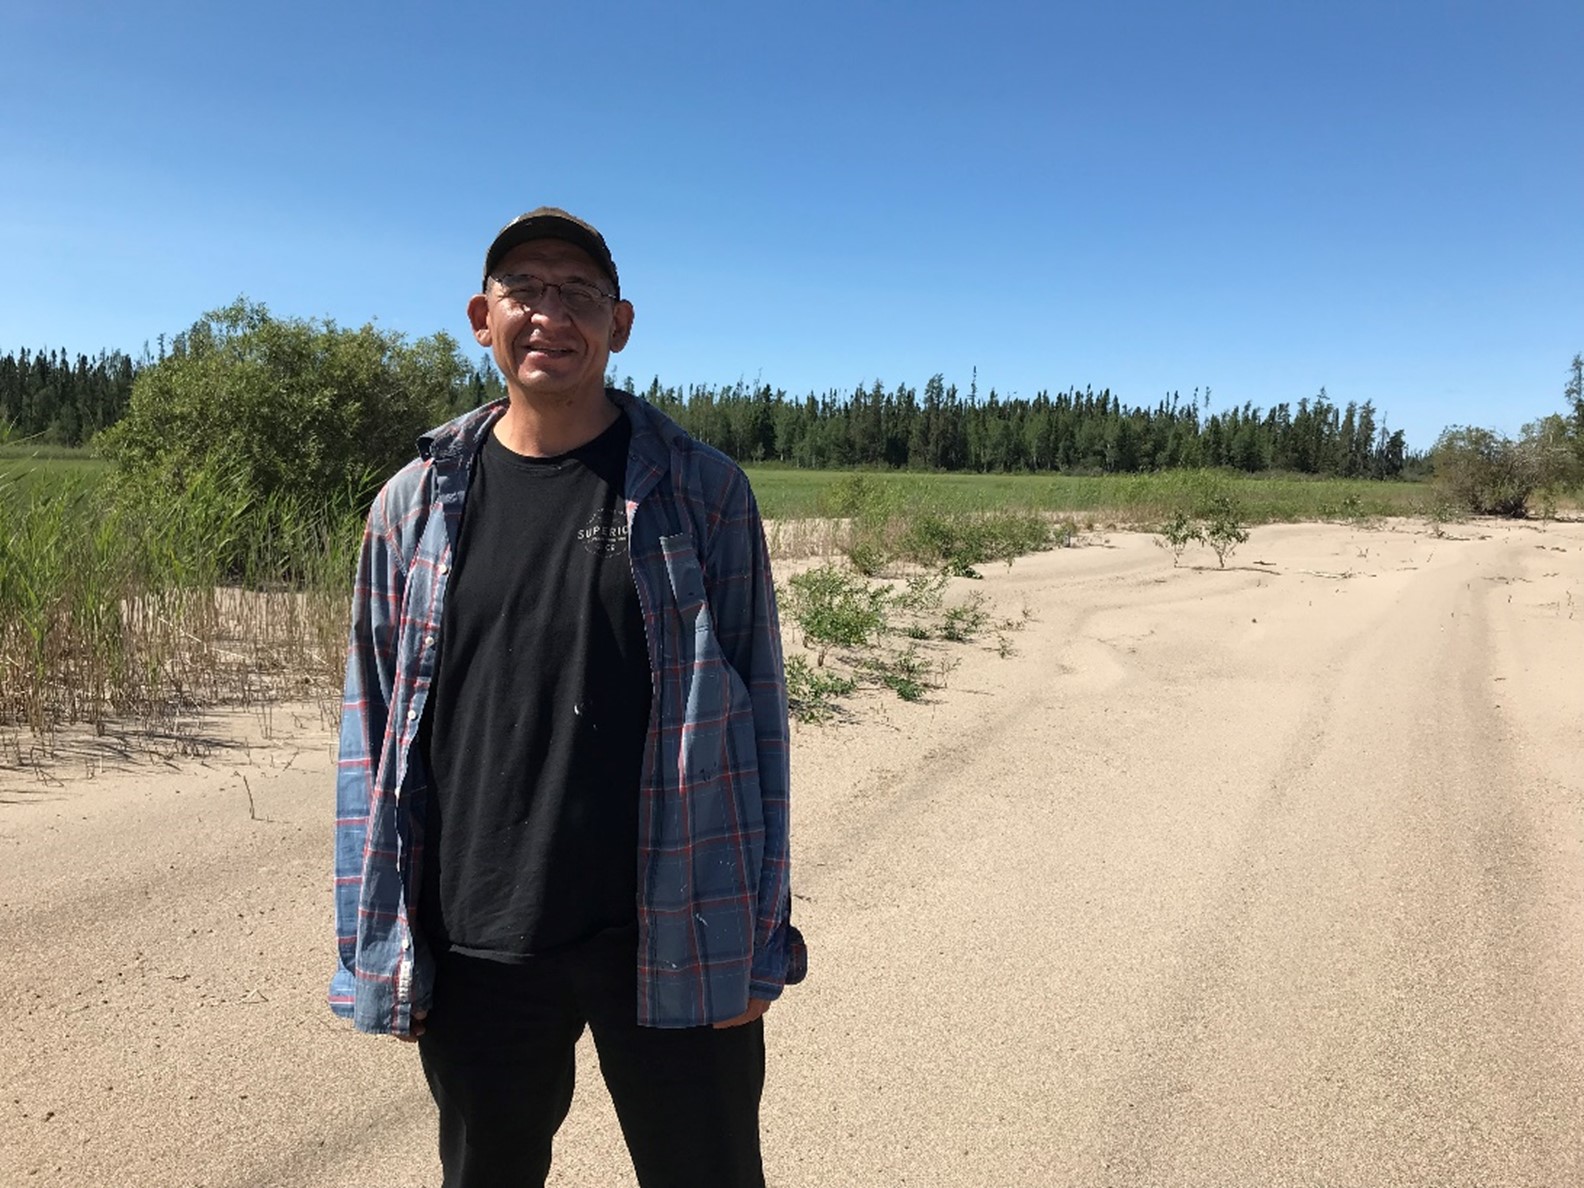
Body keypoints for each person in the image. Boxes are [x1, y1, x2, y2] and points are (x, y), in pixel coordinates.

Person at [329, 207, 806, 1188]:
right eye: (526, 289)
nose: (552, 313)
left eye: (579, 292)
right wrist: (380, 939)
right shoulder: (411, 505)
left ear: (619, 323)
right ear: (482, 316)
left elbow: (759, 724)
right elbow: (371, 738)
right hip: (480, 939)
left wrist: (759, 943)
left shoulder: (703, 493)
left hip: (674, 920)